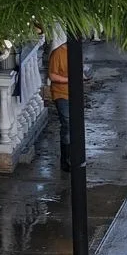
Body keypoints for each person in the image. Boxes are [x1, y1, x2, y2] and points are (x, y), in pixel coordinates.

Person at [46, 31, 72, 173]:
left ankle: (71, 156)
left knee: (72, 125)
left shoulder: (75, 53)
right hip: (61, 94)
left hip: (73, 94)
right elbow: (52, 75)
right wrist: (69, 80)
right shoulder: (58, 53)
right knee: (67, 124)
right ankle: (66, 160)